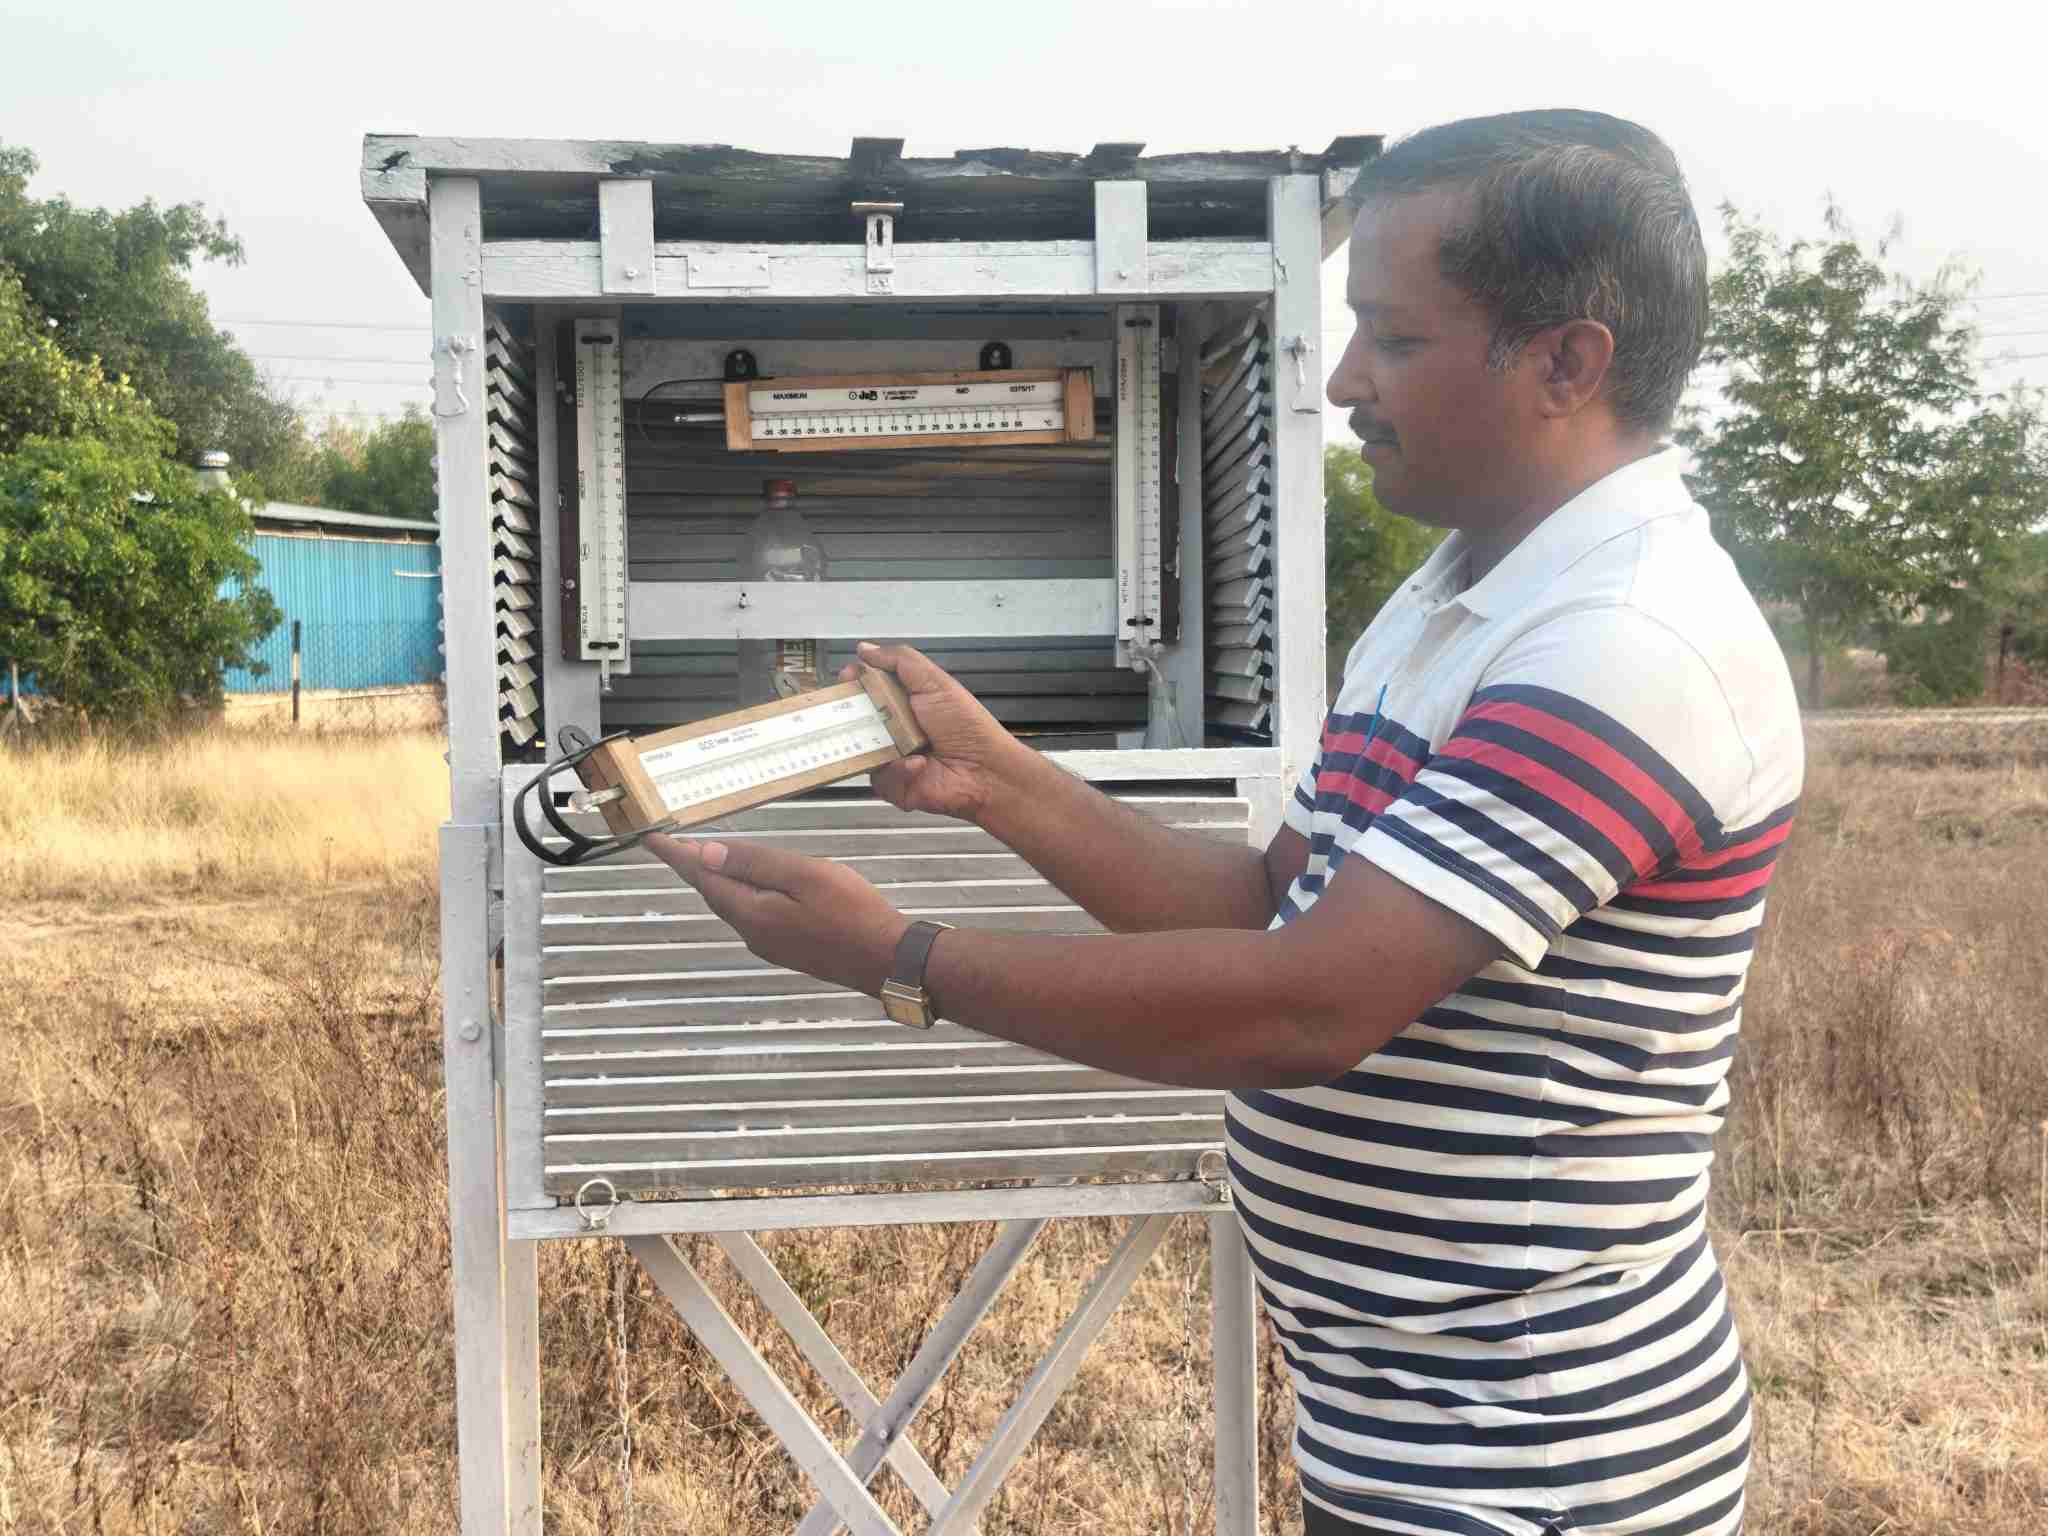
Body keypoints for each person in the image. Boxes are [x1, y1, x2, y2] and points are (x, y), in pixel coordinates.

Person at [649, 109, 1802, 1536]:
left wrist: (902, 958)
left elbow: (1309, 1004)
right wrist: (998, 779)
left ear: (1567, 360)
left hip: (1539, 1460)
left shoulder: (1628, 645)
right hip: (1402, 1421)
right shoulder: (1457, 598)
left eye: (1397, 337)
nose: (1351, 380)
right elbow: (1271, 905)